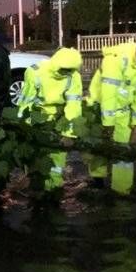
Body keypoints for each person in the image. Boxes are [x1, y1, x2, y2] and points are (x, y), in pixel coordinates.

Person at [86, 35, 136, 194]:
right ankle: (98, 182)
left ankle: (122, 190)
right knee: (100, 147)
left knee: (125, 153)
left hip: (123, 111)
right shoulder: (115, 60)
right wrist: (108, 126)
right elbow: (109, 96)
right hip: (99, 108)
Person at [17, 48, 83, 190]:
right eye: (64, 69)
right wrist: (24, 128)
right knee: (35, 158)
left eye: (70, 70)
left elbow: (74, 106)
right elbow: (27, 102)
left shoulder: (73, 76)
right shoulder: (34, 72)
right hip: (37, 119)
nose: (66, 73)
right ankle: (36, 188)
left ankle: (53, 189)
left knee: (58, 158)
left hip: (59, 120)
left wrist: (68, 134)